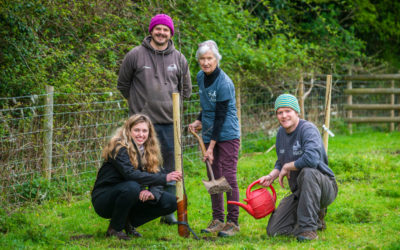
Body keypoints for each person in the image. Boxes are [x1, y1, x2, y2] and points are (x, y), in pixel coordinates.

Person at [117, 14, 192, 224]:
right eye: (158, 29)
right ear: (151, 30)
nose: (161, 33)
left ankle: (167, 213)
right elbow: (123, 85)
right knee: (139, 166)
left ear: (171, 33)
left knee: (170, 167)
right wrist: (139, 107)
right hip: (141, 127)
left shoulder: (179, 58)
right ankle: (133, 211)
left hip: (170, 124)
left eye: (166, 30)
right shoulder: (135, 55)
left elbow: (186, 90)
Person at [258, 94, 338, 241]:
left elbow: (312, 160)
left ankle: (308, 230)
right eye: (280, 112)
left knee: (308, 172)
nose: (284, 116)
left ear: (297, 112)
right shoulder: (281, 133)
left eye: (288, 111)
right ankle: (315, 217)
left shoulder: (308, 129)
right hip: (301, 191)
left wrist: (288, 166)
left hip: (324, 187)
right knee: (274, 231)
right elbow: (282, 161)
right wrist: (271, 176)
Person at [91, 114, 183, 240]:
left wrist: (152, 192)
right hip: (105, 198)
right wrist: (164, 178)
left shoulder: (149, 149)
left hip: (131, 193)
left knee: (170, 202)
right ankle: (115, 229)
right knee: (132, 186)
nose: (141, 134)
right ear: (128, 130)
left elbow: (156, 174)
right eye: (137, 130)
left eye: (144, 131)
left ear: (149, 133)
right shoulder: (118, 147)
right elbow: (131, 175)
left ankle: (127, 223)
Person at [188, 40, 241, 237]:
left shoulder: (225, 83)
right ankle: (218, 219)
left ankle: (233, 222)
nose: (206, 62)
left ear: (217, 59)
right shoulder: (200, 77)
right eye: (202, 58)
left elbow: (220, 117)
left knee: (227, 177)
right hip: (209, 133)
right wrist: (198, 121)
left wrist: (210, 148)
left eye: (209, 58)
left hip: (226, 135)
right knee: (213, 176)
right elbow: (207, 107)